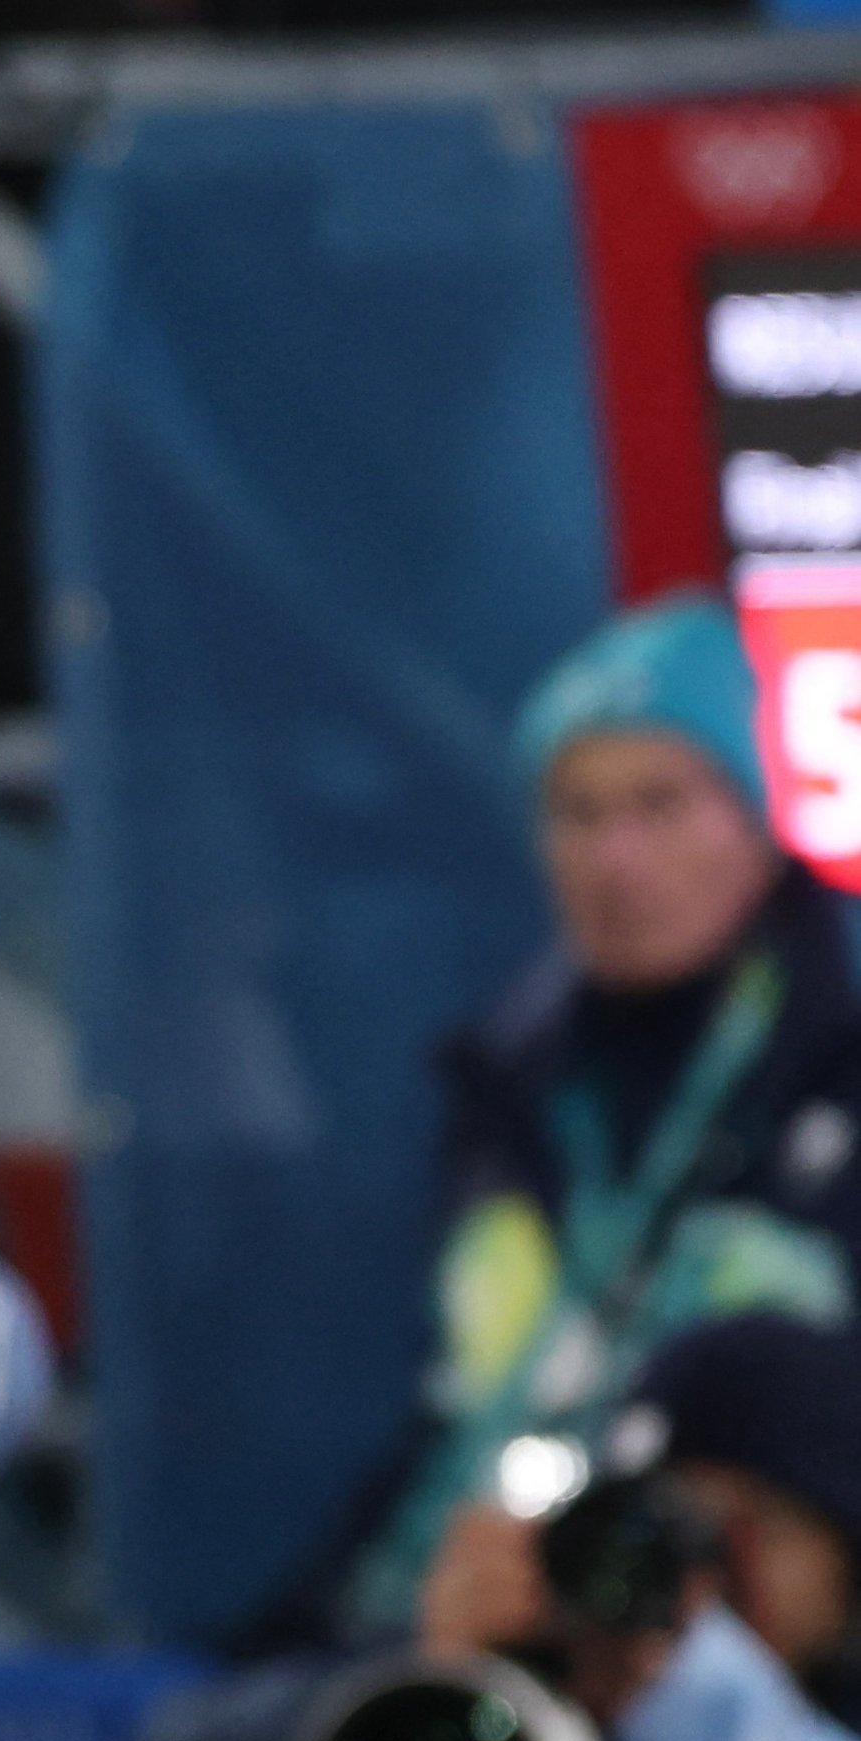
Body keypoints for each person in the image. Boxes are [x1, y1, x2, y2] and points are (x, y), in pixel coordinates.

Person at [333, 591, 861, 1635]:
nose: (615, 857)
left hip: (751, 1635)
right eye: (577, 812)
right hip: (484, 1593)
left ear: (754, 819)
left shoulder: (841, 1063)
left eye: (660, 803)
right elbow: (441, 1428)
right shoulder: (505, 1091)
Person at [415, 1314, 861, 1741]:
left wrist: (690, 1701)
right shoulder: (580, 1671)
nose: (711, 1573)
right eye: (669, 1520)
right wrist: (446, 1695)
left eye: (756, 1529)